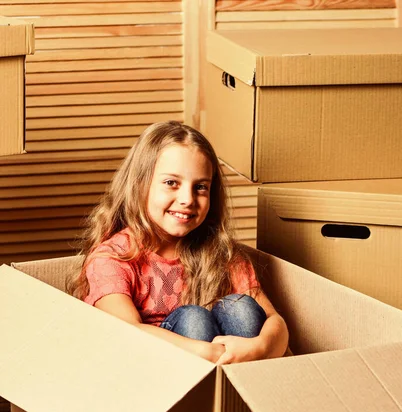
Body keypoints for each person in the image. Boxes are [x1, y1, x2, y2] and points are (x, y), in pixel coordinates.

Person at [67, 120, 289, 364]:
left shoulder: (220, 253)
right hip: (154, 372)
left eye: (200, 187)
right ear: (140, 184)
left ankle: (237, 396)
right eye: (171, 183)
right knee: (194, 318)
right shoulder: (114, 257)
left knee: (240, 307)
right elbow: (127, 333)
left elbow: (275, 321)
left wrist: (261, 347)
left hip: (235, 368)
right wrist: (205, 353)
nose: (187, 199)